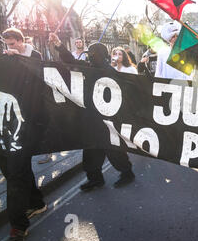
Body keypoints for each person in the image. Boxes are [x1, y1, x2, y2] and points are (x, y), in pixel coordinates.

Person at [49, 33, 136, 191]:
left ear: (102, 56)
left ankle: (127, 173)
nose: (90, 57)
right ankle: (95, 179)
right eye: (89, 54)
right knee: (90, 151)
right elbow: (70, 60)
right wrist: (59, 45)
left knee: (114, 150)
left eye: (93, 55)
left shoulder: (109, 71)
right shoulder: (87, 67)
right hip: (91, 118)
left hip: (107, 118)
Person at [0, 27, 47, 241]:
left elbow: (40, 83)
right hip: (3, 127)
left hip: (24, 125)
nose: (8, 48)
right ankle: (37, 203)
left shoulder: (33, 57)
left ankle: (18, 226)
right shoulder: (5, 60)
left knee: (16, 175)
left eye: (11, 44)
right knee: (13, 171)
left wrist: (18, 60)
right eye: (5, 45)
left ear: (20, 41)